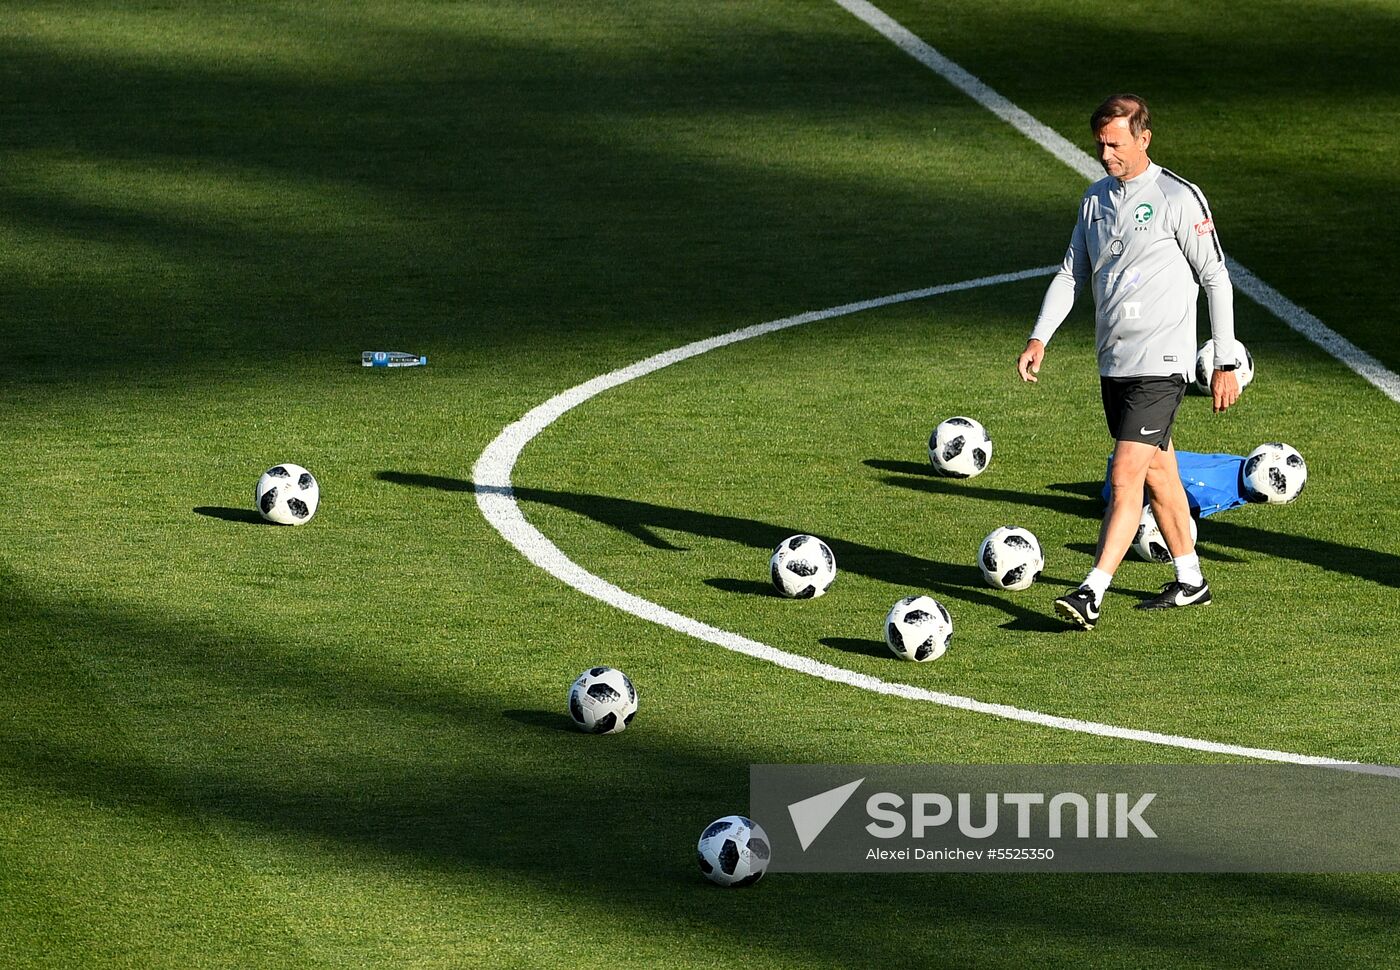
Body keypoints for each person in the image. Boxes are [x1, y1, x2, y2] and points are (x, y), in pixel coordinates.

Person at [1016, 94, 1240, 630]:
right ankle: (1191, 580)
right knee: (1159, 472)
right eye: (1100, 144)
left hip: (1162, 363)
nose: (1105, 154)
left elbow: (1216, 278)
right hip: (1114, 363)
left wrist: (1225, 360)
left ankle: (1091, 591)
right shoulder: (1094, 200)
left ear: (1144, 138)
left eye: (1115, 144)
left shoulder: (1177, 197)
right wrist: (1040, 337)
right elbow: (1071, 275)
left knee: (1124, 475)